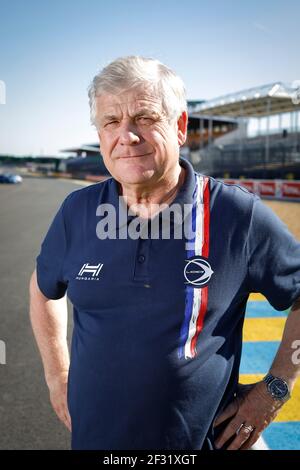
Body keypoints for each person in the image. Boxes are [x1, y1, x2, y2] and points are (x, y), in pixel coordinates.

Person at [29, 56, 300, 450]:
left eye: (144, 118)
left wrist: (274, 389)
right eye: (111, 122)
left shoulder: (237, 214)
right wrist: (57, 376)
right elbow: (42, 286)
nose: (127, 136)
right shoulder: (77, 211)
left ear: (180, 126)